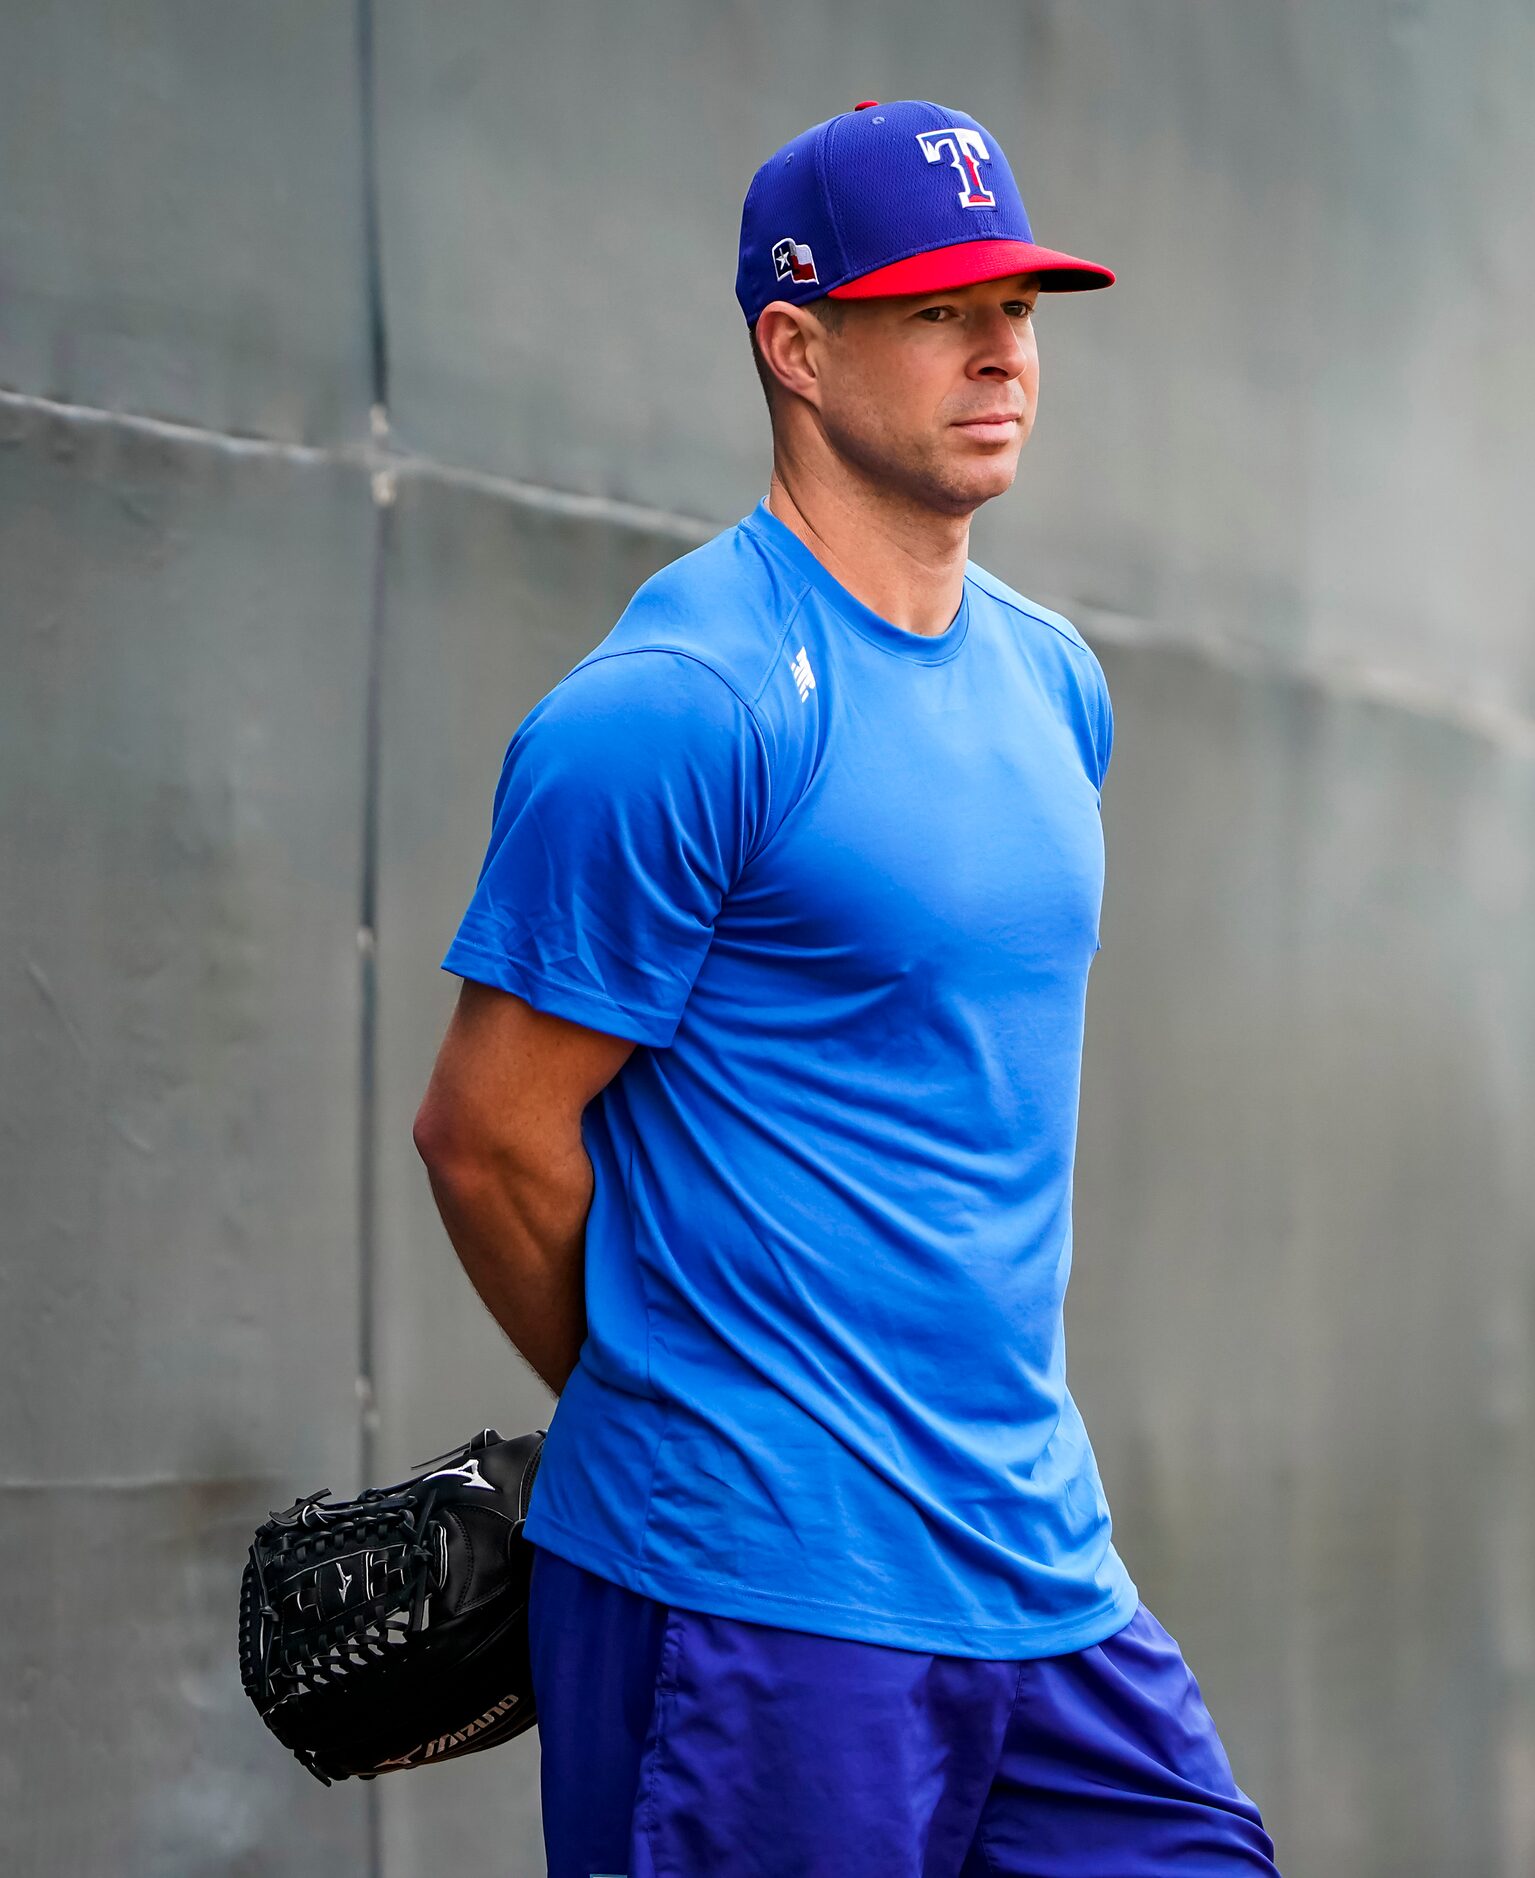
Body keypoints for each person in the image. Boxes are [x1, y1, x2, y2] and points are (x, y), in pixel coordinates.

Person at [414, 98, 1282, 1878]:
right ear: (796, 346)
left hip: (1038, 1558)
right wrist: (690, 1406)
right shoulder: (682, 702)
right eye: (936, 310)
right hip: (758, 1589)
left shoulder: (1055, 684)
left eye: (1022, 310)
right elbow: (488, 1137)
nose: (1001, 351)